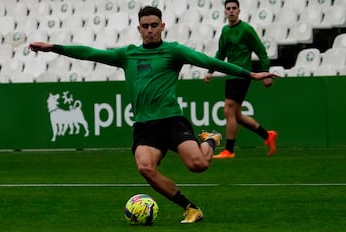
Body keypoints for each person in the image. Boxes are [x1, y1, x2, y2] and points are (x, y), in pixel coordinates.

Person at [29, 6, 278, 223]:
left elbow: (208, 61)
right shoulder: (127, 54)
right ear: (139, 28)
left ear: (162, 26)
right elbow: (91, 53)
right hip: (144, 126)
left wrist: (251, 74)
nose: (150, 30)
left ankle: (210, 141)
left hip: (171, 120)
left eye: (154, 25)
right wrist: (53, 47)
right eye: (145, 26)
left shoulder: (173, 51)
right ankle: (190, 208)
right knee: (145, 167)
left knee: (198, 166)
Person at [204, 0, 278, 159]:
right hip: (231, 74)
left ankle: (229, 150)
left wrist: (265, 73)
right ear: (225, 12)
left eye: (234, 8)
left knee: (228, 109)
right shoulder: (225, 31)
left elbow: (261, 51)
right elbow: (220, 53)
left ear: (239, 11)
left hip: (243, 74)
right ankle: (267, 135)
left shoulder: (246, 30)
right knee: (236, 115)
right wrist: (210, 71)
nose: (231, 11)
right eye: (228, 9)